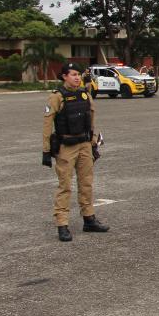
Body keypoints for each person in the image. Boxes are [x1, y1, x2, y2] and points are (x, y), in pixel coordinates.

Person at [43, 63, 109, 242]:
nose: (77, 77)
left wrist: (93, 142)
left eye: (78, 74)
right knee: (65, 186)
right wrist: (46, 150)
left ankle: (89, 219)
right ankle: (62, 224)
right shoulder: (57, 97)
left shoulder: (85, 94)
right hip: (66, 146)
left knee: (86, 183)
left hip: (85, 144)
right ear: (64, 76)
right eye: (73, 74)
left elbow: (92, 118)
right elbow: (47, 124)